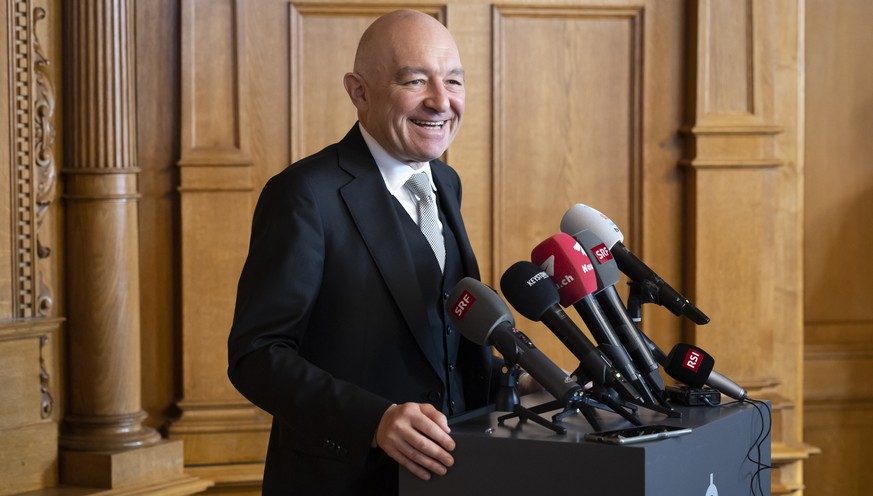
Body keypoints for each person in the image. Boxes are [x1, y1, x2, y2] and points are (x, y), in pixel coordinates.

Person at [227, 9, 540, 495]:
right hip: (344, 481)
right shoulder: (304, 194)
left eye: (454, 81)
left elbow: (435, 346)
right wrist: (375, 420)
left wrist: (518, 381)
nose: (441, 101)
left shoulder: (444, 182)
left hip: (454, 476)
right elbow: (257, 356)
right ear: (358, 91)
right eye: (416, 81)